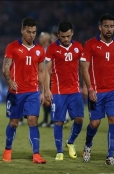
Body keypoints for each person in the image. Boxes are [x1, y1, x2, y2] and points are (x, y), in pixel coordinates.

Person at [81, 13, 114, 165]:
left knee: (113, 119)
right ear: (100, 27)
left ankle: (110, 156)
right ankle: (88, 145)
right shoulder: (90, 44)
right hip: (97, 91)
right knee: (95, 123)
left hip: (112, 90)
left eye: (111, 26)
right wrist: (90, 88)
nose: (109, 29)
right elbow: (84, 68)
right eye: (106, 26)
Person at [2, 17, 46, 164]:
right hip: (16, 92)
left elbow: (41, 72)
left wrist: (44, 91)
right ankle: (8, 150)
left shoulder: (39, 50)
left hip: (33, 91)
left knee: (33, 121)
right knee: (14, 122)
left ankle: (36, 154)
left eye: (34, 32)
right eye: (28, 32)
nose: (31, 35)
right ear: (22, 30)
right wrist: (9, 81)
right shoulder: (12, 47)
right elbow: (6, 67)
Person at [44, 21, 84, 161]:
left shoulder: (79, 47)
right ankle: (59, 151)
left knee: (79, 119)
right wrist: (47, 90)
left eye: (68, 36)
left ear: (72, 33)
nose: (66, 39)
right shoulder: (52, 49)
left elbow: (83, 69)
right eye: (63, 37)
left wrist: (87, 86)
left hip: (74, 91)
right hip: (58, 92)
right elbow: (46, 71)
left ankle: (70, 142)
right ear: (58, 35)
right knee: (58, 122)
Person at [37, 31, 52, 128]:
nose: (40, 38)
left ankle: (53, 120)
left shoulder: (50, 49)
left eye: (42, 37)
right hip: (41, 76)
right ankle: (46, 120)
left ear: (47, 38)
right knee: (43, 99)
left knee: (49, 99)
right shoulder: (40, 49)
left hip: (49, 77)